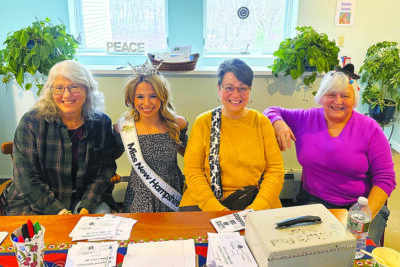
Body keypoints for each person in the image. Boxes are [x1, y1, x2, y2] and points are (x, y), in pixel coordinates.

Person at [263, 64, 396, 245]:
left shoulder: (370, 128)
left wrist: (364, 214)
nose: (338, 101)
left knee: (356, 253)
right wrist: (278, 123)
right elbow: (271, 110)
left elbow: (386, 178)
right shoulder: (306, 118)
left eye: (345, 96)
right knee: (305, 250)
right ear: (321, 97)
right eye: (331, 94)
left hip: (360, 206)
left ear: (354, 99)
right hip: (314, 201)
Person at [5, 60, 117, 215]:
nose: (66, 95)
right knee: (41, 237)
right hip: (36, 202)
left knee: (103, 232)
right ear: (51, 91)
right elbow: (26, 178)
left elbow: (104, 170)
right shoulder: (31, 122)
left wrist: (86, 206)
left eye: (74, 87)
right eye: (59, 88)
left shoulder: (101, 122)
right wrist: (59, 212)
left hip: (83, 199)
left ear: (87, 89)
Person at [180, 58, 284, 211]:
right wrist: (216, 209)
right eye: (229, 88)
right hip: (207, 204)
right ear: (219, 88)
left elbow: (275, 171)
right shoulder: (204, 122)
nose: (236, 95)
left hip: (255, 203)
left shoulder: (261, 122)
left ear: (250, 89)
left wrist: (258, 207)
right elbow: (193, 172)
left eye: (242, 88)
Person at [115, 62, 187, 213]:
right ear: (132, 99)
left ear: (162, 97)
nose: (146, 103)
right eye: (140, 97)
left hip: (171, 191)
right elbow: (108, 157)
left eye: (153, 96)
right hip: (138, 195)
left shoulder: (177, 124)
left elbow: (190, 155)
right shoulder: (123, 128)